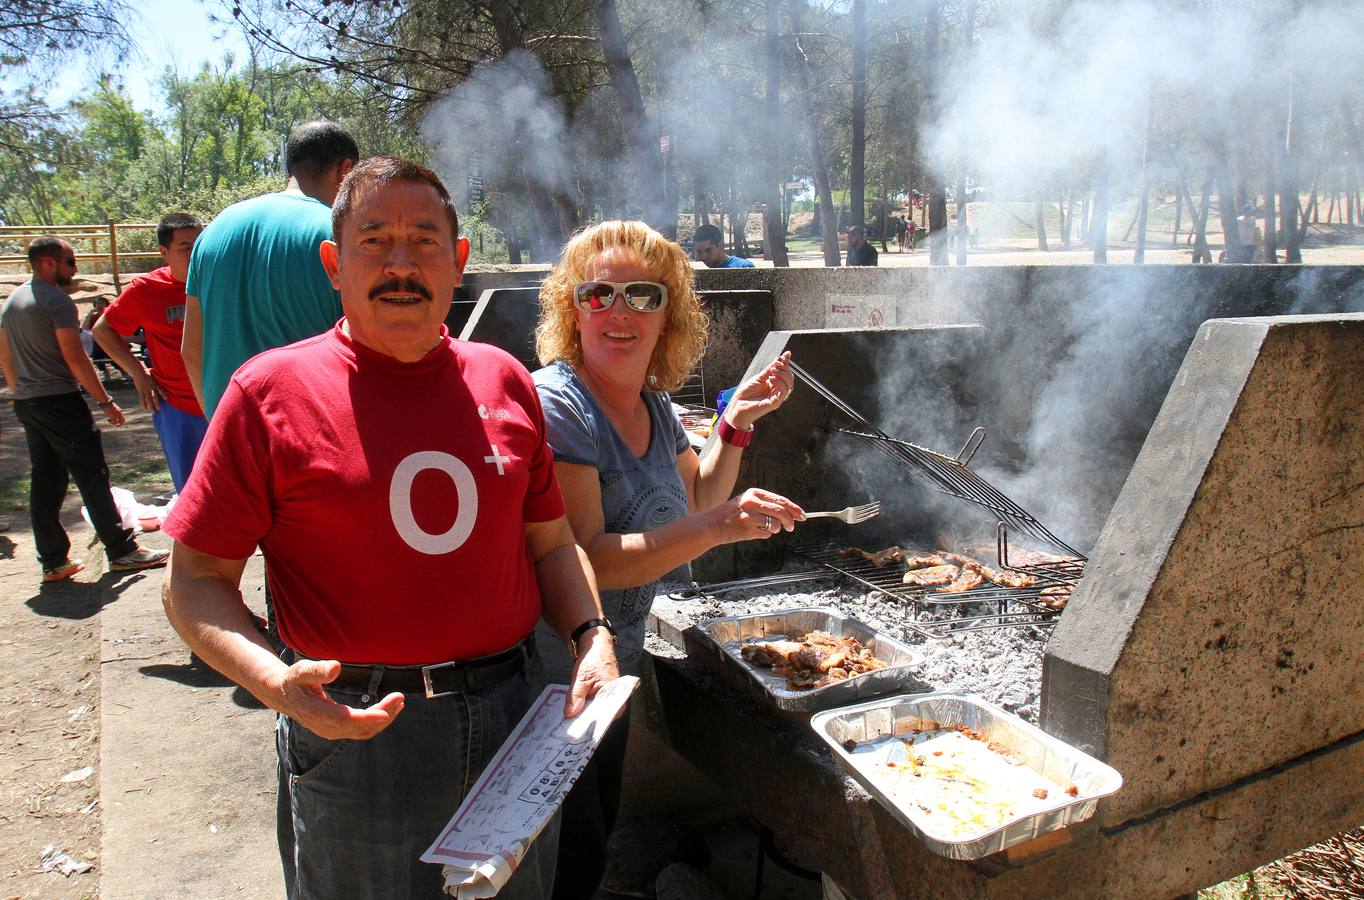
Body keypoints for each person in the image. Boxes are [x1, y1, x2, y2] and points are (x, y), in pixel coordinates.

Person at [162, 157, 620, 899]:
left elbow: (552, 540)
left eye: (424, 241)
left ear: (459, 261)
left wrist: (590, 635)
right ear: (334, 264)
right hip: (357, 736)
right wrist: (277, 682)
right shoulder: (267, 393)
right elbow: (194, 587)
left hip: (514, 719)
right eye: (375, 241)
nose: (401, 265)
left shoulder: (504, 378)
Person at [532, 220, 803, 900]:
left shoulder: (652, 402)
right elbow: (588, 558)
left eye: (643, 295)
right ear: (573, 307)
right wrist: (716, 527)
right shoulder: (559, 404)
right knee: (561, 856)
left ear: (669, 316)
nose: (619, 312)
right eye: (599, 294)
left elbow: (697, 495)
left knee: (589, 842)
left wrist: (737, 420)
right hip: (554, 677)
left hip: (614, 671)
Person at [0, 237, 169, 581]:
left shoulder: (12, 302)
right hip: (60, 400)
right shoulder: (57, 303)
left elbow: (5, 357)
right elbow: (75, 356)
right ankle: (123, 552)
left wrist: (21, 391)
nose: (74, 269)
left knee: (47, 480)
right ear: (50, 262)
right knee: (92, 475)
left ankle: (53, 561)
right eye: (71, 262)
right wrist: (105, 400)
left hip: (28, 402)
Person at [181, 120, 359, 419]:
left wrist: (217, 423)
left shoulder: (214, 231)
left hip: (230, 435)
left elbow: (191, 350)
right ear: (346, 170)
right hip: (309, 436)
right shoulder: (339, 235)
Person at [93, 213, 207, 494]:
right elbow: (102, 330)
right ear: (164, 252)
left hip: (222, 402)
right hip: (178, 407)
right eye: (186, 248)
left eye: (201, 244)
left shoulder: (217, 281)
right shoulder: (146, 289)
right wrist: (138, 374)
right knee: (193, 492)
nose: (196, 253)